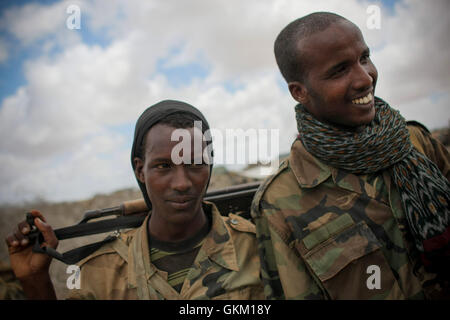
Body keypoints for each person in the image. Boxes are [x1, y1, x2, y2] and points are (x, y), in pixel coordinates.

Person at [251, 12, 450, 300]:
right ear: (299, 92)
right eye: (339, 70)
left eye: (365, 58)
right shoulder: (281, 202)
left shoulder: (415, 141)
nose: (364, 78)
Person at [6, 100, 264, 300]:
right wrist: (35, 280)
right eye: (163, 166)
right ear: (140, 170)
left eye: (195, 163)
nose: (182, 182)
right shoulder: (99, 273)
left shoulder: (258, 248)